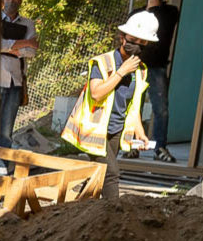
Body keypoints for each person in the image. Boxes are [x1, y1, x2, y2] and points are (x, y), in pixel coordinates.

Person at [61, 11, 156, 201]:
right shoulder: (103, 63)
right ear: (122, 37)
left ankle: (76, 211)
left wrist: (141, 132)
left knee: (98, 176)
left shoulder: (141, 71)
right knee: (111, 174)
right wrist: (121, 72)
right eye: (132, 39)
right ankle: (116, 214)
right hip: (93, 130)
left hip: (115, 130)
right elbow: (96, 94)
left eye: (142, 42)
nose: (136, 45)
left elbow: (134, 105)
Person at [142, 0, 179, 163]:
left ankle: (160, 146)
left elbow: (163, 30)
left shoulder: (170, 12)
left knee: (160, 108)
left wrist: (155, 9)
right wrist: (149, 10)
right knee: (132, 107)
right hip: (137, 64)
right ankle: (131, 146)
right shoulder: (138, 12)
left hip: (157, 66)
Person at [0, 0, 39, 152]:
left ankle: (1, 163)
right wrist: (24, 43)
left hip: (15, 82)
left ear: (21, 0)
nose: (11, 2)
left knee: (6, 129)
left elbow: (32, 51)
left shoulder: (28, 24)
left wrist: (12, 48)